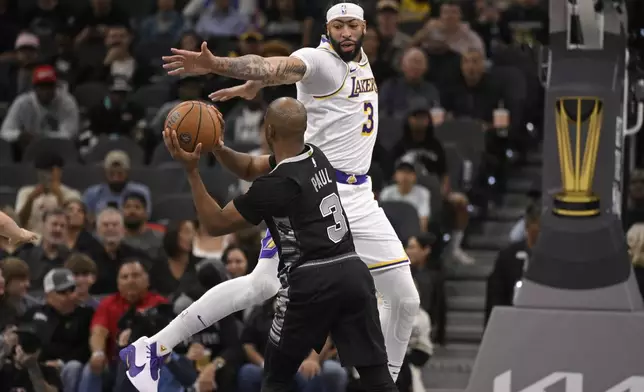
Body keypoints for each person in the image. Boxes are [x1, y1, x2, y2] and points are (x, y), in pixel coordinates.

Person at [161, 0, 420, 379]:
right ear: (327, 29)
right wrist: (218, 66)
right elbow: (275, 65)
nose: (346, 33)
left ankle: (387, 383)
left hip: (360, 195)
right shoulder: (321, 60)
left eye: (352, 26)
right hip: (315, 191)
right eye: (339, 26)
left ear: (364, 28)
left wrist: (263, 82)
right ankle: (158, 345)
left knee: (406, 299)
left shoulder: (359, 61)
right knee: (260, 285)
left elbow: (277, 77)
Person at [121, 97, 396, 392]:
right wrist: (216, 146)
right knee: (378, 381)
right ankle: (154, 349)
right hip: (353, 274)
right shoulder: (316, 155)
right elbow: (252, 166)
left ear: (268, 132)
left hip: (311, 282)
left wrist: (191, 171)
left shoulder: (275, 186)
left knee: (275, 378)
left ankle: (153, 349)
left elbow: (214, 224)